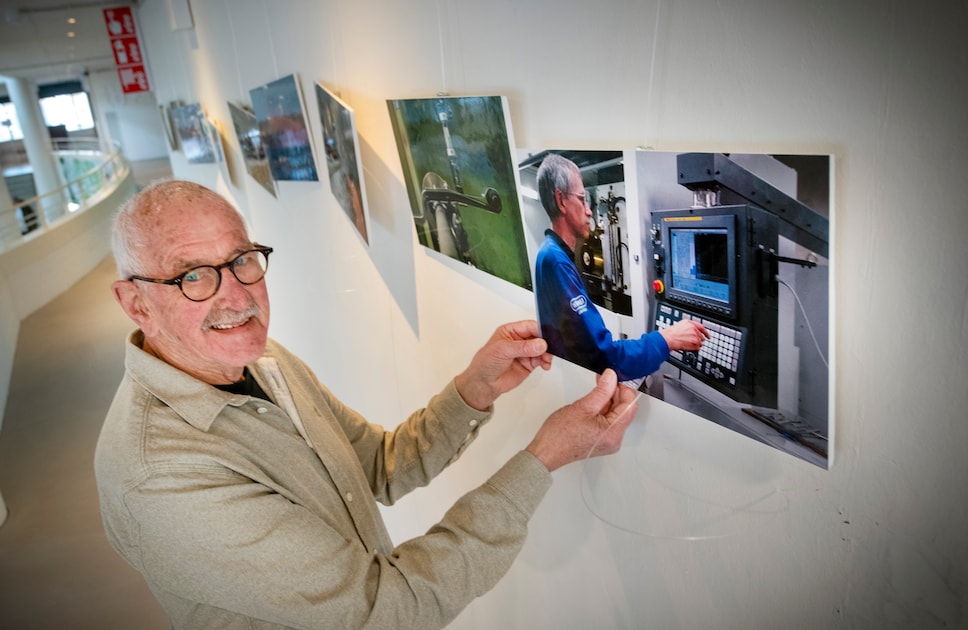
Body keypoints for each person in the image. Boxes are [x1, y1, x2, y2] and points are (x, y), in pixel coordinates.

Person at [95, 180, 641, 629]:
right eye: (192, 276)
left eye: (242, 260)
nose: (236, 296)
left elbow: (378, 466)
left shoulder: (264, 361)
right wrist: (541, 460)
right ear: (135, 303)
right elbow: (383, 610)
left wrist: (476, 387)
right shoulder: (159, 475)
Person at [533, 153, 708, 380]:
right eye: (582, 199)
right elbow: (603, 356)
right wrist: (667, 339)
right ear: (561, 200)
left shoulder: (547, 254)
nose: (589, 210)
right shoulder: (555, 261)